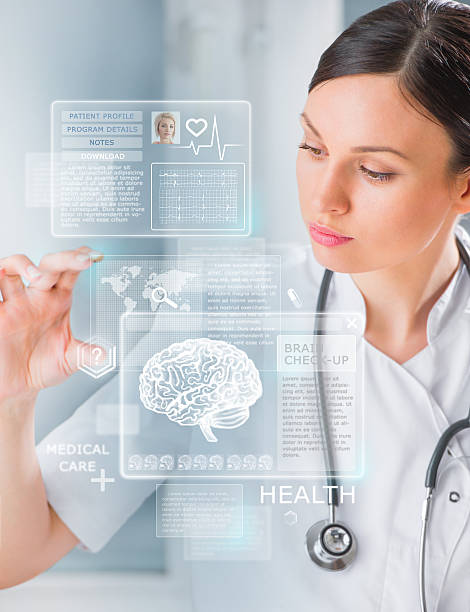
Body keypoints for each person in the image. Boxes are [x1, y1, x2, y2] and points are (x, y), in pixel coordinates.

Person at [1, 0, 470, 609]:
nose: (324, 199)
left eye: (375, 171)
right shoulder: (223, 317)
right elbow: (15, 554)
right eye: (312, 147)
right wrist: (12, 400)